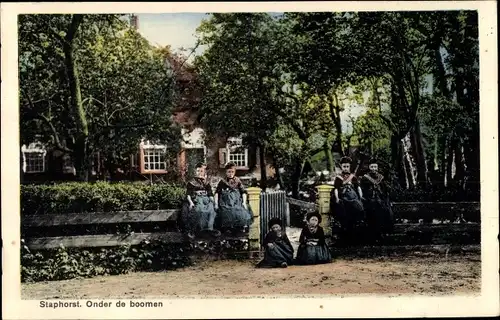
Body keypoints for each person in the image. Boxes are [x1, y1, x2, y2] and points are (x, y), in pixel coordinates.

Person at [181, 162, 220, 239]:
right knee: (200, 210)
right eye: (198, 171)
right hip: (196, 199)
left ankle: (209, 229)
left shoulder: (206, 183)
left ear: (204, 172)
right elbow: (188, 194)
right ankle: (197, 230)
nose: (199, 173)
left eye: (201, 171)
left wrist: (214, 203)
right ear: (196, 171)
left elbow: (210, 194)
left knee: (211, 210)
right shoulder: (191, 183)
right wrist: (191, 203)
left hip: (206, 200)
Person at [331, 156, 365, 242]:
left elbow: (358, 188)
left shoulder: (353, 177)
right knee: (344, 215)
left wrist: (360, 197)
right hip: (343, 198)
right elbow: (336, 189)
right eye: (344, 166)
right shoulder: (338, 178)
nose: (346, 168)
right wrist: (337, 198)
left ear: (349, 167)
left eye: (347, 166)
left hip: (353, 198)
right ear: (341, 167)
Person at [360, 158, 394, 242]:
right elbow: (363, 190)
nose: (374, 169)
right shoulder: (365, 178)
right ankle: (375, 235)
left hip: (381, 199)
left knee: (386, 211)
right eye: (372, 167)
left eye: (375, 167)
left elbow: (385, 190)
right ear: (369, 167)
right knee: (372, 213)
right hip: (369, 200)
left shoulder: (381, 178)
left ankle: (383, 233)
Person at [214, 162, 253, 235]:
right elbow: (217, 193)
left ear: (234, 172)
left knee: (240, 211)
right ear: (226, 172)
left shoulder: (237, 181)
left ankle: (239, 228)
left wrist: (244, 202)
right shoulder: (222, 182)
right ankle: (228, 229)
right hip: (225, 202)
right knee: (227, 212)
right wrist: (216, 204)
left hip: (236, 201)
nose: (231, 173)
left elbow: (243, 192)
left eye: (232, 172)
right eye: (229, 172)